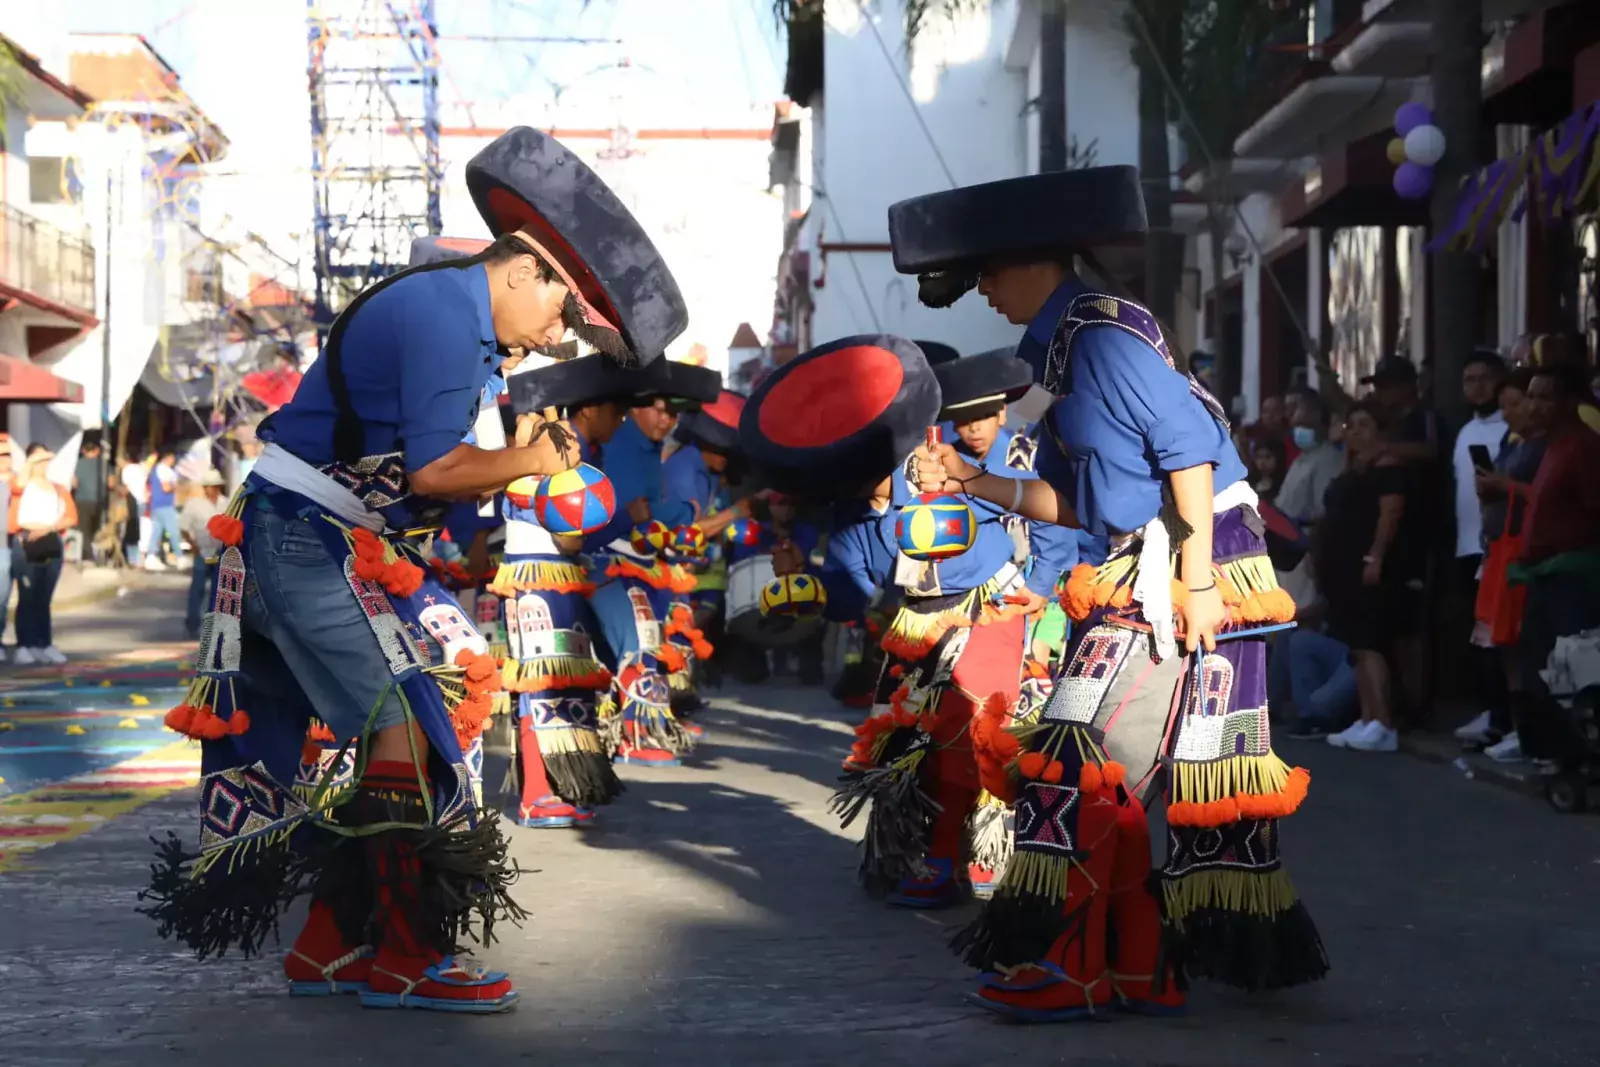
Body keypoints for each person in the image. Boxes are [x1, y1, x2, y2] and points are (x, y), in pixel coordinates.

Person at [138, 126, 691, 1015]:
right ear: (524, 271)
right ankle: (403, 956)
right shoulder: (443, 313)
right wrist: (532, 463)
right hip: (302, 533)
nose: (555, 337)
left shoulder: (465, 326)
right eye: (558, 314)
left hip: (310, 533)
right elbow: (435, 472)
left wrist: (513, 456)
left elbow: (430, 482)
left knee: (396, 731)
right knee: (405, 728)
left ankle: (328, 944)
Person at [890, 164, 1324, 1020]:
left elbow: (1190, 450)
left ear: (1035, 261)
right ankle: (1135, 963)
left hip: (1191, 565)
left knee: (1083, 763)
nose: (981, 289)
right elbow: (1081, 501)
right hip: (1145, 560)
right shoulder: (1055, 351)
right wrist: (977, 480)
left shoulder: (1103, 336)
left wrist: (1197, 581)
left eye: (988, 271)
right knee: (1084, 765)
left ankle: (1080, 963)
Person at [747, 336, 1036, 913]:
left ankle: (983, 854)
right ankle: (916, 854)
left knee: (973, 740)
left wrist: (1042, 590)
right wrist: (799, 581)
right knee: (902, 746)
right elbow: (850, 597)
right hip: (914, 626)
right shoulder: (851, 514)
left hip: (986, 611)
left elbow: (1023, 518)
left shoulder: (937, 467)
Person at [930, 347, 1081, 899]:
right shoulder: (945, 456)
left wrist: (1039, 589)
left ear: (1000, 413)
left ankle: (1005, 846)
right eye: (961, 420)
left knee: (1012, 720)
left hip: (1036, 603)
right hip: (980, 600)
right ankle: (965, 845)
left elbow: (1056, 530)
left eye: (980, 418)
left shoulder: (1022, 450)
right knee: (963, 718)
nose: (970, 429)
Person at [492, 354, 638, 827]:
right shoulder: (532, 453)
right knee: (541, 684)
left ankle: (560, 785)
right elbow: (569, 530)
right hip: (537, 579)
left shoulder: (531, 447)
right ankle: (537, 792)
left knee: (561, 682)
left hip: (549, 576)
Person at [581, 364, 720, 764]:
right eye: (659, 409)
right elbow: (626, 511)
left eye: (673, 414)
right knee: (636, 635)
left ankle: (653, 721)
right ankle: (635, 734)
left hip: (639, 562)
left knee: (654, 634)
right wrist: (679, 510)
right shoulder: (618, 441)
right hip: (600, 561)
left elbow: (649, 514)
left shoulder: (649, 447)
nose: (666, 420)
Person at [1506, 363, 1600, 763]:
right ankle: (1551, 749)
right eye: (1531, 396)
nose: (1534, 405)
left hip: (1573, 577)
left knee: (1573, 668)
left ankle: (1580, 752)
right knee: (1540, 666)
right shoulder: (1551, 448)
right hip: (1543, 576)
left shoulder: (1585, 447)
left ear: (1569, 403)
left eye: (1544, 397)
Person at [1455, 368, 1543, 756]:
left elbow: (1540, 495)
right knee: (1497, 641)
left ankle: (1526, 728)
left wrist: (1504, 486)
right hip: (1494, 548)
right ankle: (1504, 719)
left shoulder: (1542, 446)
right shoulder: (1513, 442)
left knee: (1517, 641)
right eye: (1504, 405)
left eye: (1515, 404)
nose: (1507, 413)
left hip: (1521, 551)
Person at [1317, 404, 1411, 753]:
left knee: (1371, 644)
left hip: (1366, 565)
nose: (1355, 431)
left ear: (1380, 431)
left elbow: (1390, 514)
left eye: (1364, 424)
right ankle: (1368, 717)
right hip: (1341, 568)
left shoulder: (1388, 468)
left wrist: (1376, 556)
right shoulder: (1352, 467)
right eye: (1350, 424)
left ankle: (1384, 723)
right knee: (1356, 645)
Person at [1359, 355, 1435, 718]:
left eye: (1387, 385)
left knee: (1412, 628)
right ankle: (1402, 700)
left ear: (1408, 385)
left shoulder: (1425, 418)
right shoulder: (1391, 423)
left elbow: (1432, 450)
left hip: (1418, 534)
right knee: (1397, 626)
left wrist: (1387, 450)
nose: (1382, 393)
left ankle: (1418, 702)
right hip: (1395, 540)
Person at [9, 444, 76, 666]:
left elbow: (70, 516)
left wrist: (50, 528)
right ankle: (24, 645)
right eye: (38, 460)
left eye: (45, 460)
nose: (43, 464)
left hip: (50, 541)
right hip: (27, 542)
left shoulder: (57, 487)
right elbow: (17, 486)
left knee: (43, 597)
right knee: (27, 596)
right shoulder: (22, 485)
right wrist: (30, 463)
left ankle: (44, 643)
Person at [180, 470, 228, 638]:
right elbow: (184, 527)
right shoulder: (194, 504)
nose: (210, 490)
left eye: (213, 486)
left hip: (220, 552)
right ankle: (193, 623)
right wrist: (193, 546)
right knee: (198, 588)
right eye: (207, 486)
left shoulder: (227, 504)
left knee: (220, 590)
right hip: (202, 551)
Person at [145, 449, 181, 570]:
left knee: (156, 531)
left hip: (156, 504)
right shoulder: (165, 470)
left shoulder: (155, 469)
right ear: (169, 457)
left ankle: (151, 556)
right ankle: (179, 556)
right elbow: (166, 488)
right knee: (173, 531)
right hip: (165, 504)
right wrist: (176, 486)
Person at [75, 438, 107, 564]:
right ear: (98, 451)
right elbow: (110, 482)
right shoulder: (103, 464)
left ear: (83, 451)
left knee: (84, 530)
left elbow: (74, 483)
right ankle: (100, 553)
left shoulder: (77, 463)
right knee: (99, 528)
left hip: (82, 500)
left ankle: (88, 557)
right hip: (100, 501)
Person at [1250, 437, 1287, 502]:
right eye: (1259, 457)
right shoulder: (1248, 481)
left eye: (1268, 457)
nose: (1262, 462)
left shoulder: (1286, 482)